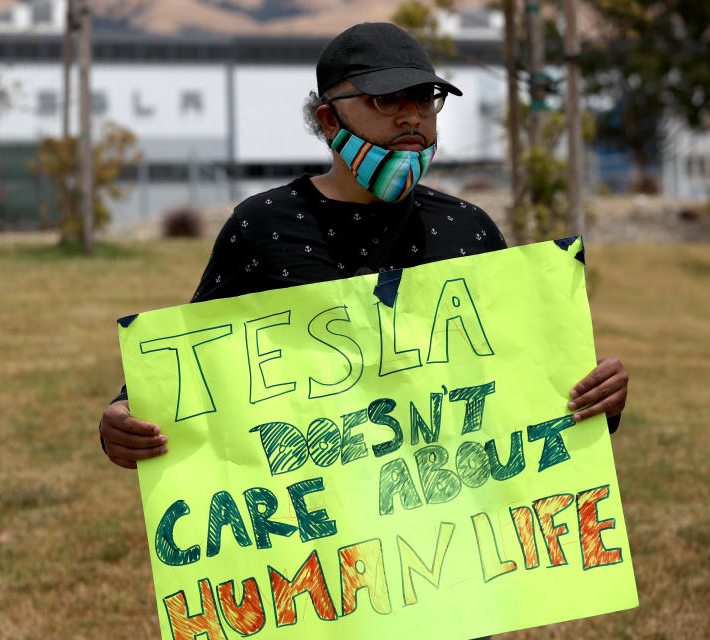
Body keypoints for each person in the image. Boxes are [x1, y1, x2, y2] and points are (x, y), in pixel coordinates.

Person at [99, 22, 628, 470]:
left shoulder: (471, 229)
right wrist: (124, 417)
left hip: (455, 543)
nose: (411, 116)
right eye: (385, 99)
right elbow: (193, 362)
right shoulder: (263, 226)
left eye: (424, 98)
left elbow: (526, 373)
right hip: (318, 546)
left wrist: (595, 393)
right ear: (329, 120)